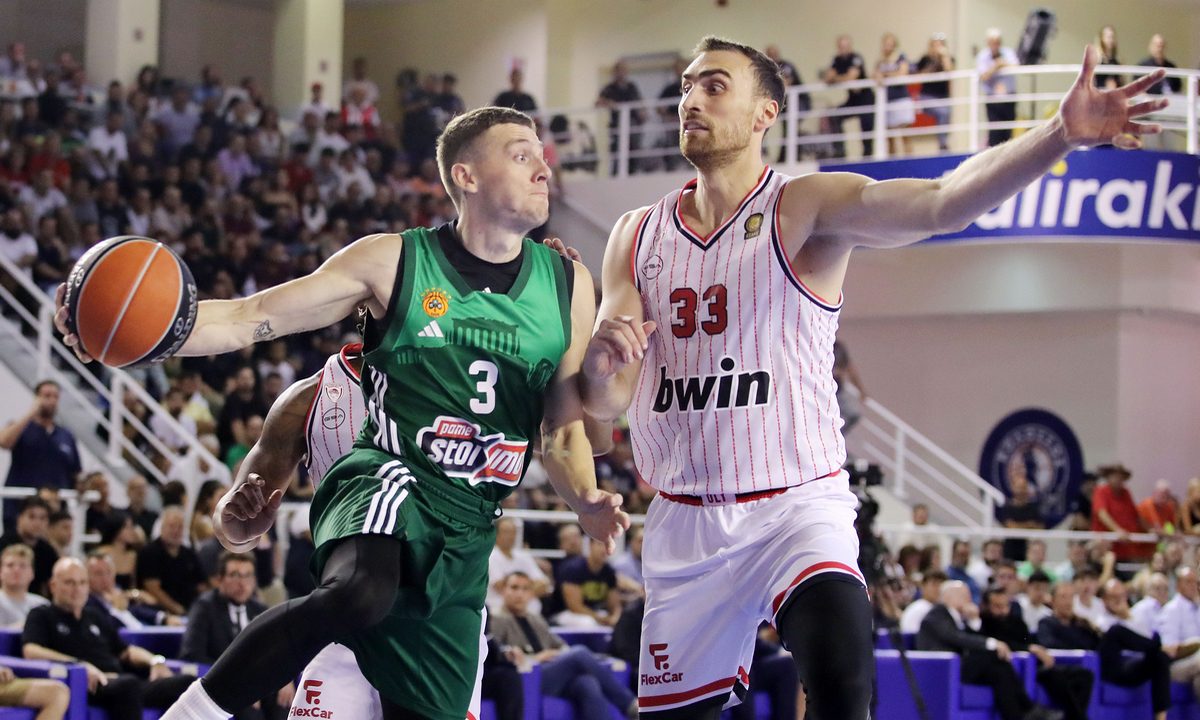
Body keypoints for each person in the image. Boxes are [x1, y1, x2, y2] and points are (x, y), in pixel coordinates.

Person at [582, 34, 1164, 720]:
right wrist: (598, 363)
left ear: (766, 113)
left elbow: (942, 201)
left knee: (842, 684)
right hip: (684, 519)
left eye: (714, 86)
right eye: (685, 86)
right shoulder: (636, 233)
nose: (690, 100)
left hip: (795, 506)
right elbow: (607, 400)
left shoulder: (804, 206)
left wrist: (1057, 135)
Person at [55, 105, 628, 720]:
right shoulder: (392, 261)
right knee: (360, 592)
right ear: (465, 176)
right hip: (392, 481)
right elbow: (251, 316)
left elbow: (562, 427)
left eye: (541, 154)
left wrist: (585, 498)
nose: (543, 167)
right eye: (521, 154)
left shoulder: (568, 282)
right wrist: (131, 334)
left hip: (466, 535)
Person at [23, 558, 194, 720]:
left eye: (82, 583)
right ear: (53, 585)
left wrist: (154, 661)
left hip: (122, 682)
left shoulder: (94, 615)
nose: (77, 589)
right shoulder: (42, 614)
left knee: (186, 683)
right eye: (69, 583)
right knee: (128, 684)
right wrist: (79, 665)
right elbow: (31, 650)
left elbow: (126, 651)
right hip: (87, 683)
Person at [490, 571, 638, 720]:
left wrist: (556, 655)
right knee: (579, 653)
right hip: (526, 677)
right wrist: (537, 658)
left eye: (525, 589)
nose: (519, 594)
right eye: (514, 588)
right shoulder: (497, 619)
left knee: (586, 683)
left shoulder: (535, 618)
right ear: (503, 590)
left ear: (531, 594)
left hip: (551, 672)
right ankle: (629, 704)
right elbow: (498, 656)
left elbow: (561, 646)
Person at [916, 581, 1061, 720]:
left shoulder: (959, 617)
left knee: (999, 671)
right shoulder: (938, 614)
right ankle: (1028, 709)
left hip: (958, 667)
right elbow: (956, 638)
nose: (969, 600)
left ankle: (1021, 715)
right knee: (993, 656)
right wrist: (992, 643)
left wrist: (974, 620)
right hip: (941, 671)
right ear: (950, 597)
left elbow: (971, 639)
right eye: (965, 596)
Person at [1038, 581, 1171, 720]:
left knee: (1159, 657)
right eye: (1063, 597)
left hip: (1115, 664)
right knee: (1115, 631)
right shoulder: (1047, 623)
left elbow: (1098, 642)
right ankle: (1155, 644)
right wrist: (1083, 653)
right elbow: (1049, 645)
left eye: (1071, 597)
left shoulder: (1081, 624)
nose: (1068, 602)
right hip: (1093, 668)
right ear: (1052, 600)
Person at [182, 554, 292, 720]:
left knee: (283, 703)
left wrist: (286, 679)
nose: (242, 583)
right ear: (220, 579)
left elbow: (278, 651)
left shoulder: (260, 610)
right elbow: (192, 654)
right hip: (222, 684)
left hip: (257, 684)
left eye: (248, 576)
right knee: (247, 710)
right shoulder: (204, 608)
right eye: (235, 575)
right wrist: (240, 683)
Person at [979, 585, 1093, 720]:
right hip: (1015, 667)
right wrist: (1028, 649)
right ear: (986, 607)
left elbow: (1028, 640)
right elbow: (995, 643)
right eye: (997, 606)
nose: (1003, 611)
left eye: (1005, 606)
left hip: (1034, 664)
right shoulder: (985, 623)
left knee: (1082, 675)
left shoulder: (1016, 621)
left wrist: (1035, 650)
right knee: (1055, 677)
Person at [0, 380, 81, 524]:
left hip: (54, 513)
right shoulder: (22, 427)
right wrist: (31, 413)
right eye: (47, 396)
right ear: (36, 398)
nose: (52, 400)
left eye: (55, 396)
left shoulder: (66, 435)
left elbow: (75, 472)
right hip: (20, 509)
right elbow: (4, 442)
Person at [136, 506, 209, 616]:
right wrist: (177, 610)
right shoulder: (149, 552)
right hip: (158, 612)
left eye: (180, 527)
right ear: (162, 527)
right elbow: (153, 588)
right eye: (171, 526)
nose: (175, 531)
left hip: (191, 610)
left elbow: (201, 585)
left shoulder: (189, 554)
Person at [822, 35, 875, 158]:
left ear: (850, 46)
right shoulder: (837, 60)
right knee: (835, 116)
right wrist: (841, 78)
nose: (843, 49)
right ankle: (840, 151)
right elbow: (828, 78)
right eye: (841, 47)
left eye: (845, 46)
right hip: (853, 99)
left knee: (866, 128)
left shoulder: (856, 58)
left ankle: (867, 155)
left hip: (866, 98)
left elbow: (851, 77)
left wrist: (837, 79)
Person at [1092, 463, 1152, 563]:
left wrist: (1150, 529)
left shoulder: (1126, 493)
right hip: (1107, 545)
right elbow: (1102, 514)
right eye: (1115, 476)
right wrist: (1118, 530)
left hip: (1125, 547)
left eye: (1121, 477)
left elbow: (1136, 515)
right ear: (1108, 477)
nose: (1118, 480)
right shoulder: (1101, 491)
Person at [1156, 566, 1200, 699]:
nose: (1193, 586)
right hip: (1176, 666)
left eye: (1196, 582)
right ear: (1178, 585)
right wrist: (1194, 645)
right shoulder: (1171, 610)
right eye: (1188, 582)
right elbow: (1170, 651)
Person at [0, 498, 58, 596]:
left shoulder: (48, 551)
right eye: (32, 517)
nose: (37, 523)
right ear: (19, 518)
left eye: (42, 518)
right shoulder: (3, 545)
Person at [977, 28, 1020, 147]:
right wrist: (996, 67)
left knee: (1008, 131)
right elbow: (983, 76)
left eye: (997, 42)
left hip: (1009, 97)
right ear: (988, 43)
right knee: (995, 131)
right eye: (992, 42)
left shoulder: (1008, 52)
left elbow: (1016, 66)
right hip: (993, 98)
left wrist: (1003, 63)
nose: (995, 45)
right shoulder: (983, 56)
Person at [916, 33, 955, 151]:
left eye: (940, 45)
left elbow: (949, 71)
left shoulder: (949, 58)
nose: (938, 47)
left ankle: (943, 143)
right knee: (943, 112)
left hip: (943, 97)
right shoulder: (925, 59)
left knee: (946, 113)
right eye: (935, 45)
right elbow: (919, 76)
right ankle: (943, 144)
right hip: (926, 96)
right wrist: (933, 62)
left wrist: (944, 56)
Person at [0, 544, 48, 629]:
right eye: (10, 565)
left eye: (23, 566)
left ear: (32, 573)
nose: (16, 570)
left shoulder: (42, 605)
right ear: (1, 571)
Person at [899, 569, 946, 634]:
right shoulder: (918, 609)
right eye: (934, 584)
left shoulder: (941, 609)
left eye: (941, 584)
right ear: (923, 586)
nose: (938, 588)